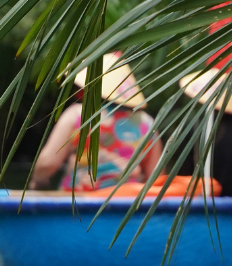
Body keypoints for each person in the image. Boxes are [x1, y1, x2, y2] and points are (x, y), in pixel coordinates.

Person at [30, 53, 162, 191]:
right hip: (126, 199)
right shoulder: (147, 123)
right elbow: (156, 178)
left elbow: (47, 164)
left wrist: (37, 180)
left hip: (79, 199)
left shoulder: (78, 115)